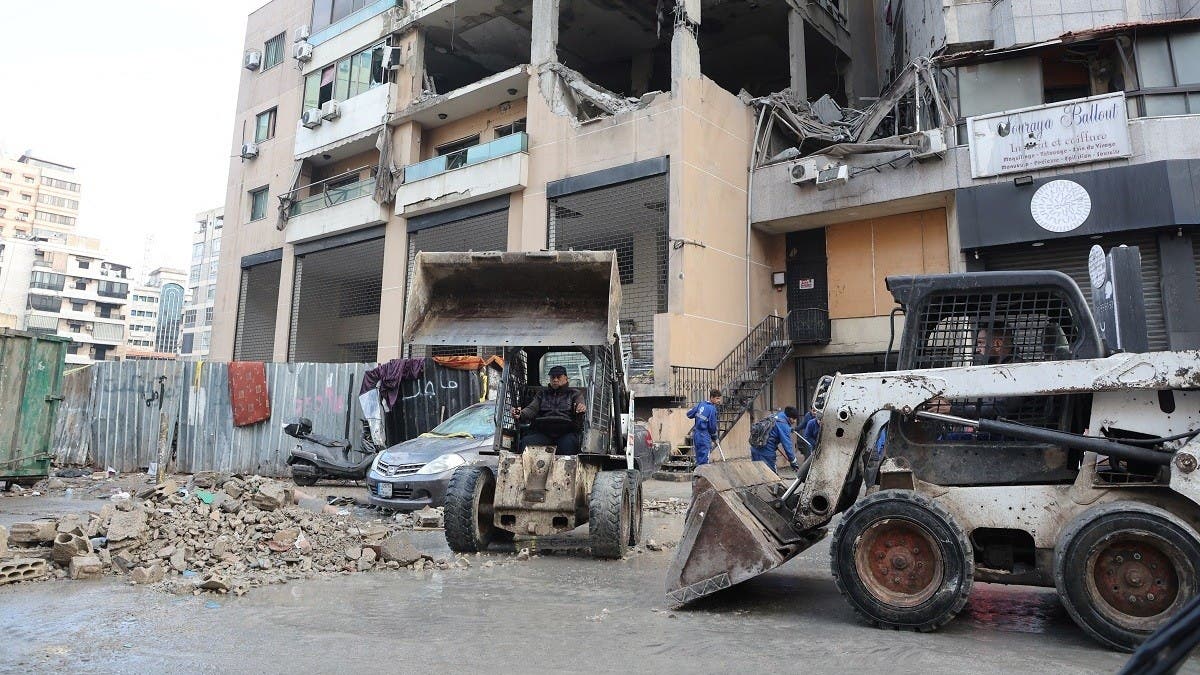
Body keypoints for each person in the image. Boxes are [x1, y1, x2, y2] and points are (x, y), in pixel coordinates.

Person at [513, 365, 587, 455]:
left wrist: (581, 407)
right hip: (544, 432)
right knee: (526, 442)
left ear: (566, 378)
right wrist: (521, 413)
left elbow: (580, 404)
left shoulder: (575, 394)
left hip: (566, 432)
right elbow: (531, 409)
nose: (555, 380)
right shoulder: (542, 394)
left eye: (558, 377)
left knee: (569, 444)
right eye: (553, 377)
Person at [750, 406, 800, 474]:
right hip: (766, 453)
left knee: (757, 474)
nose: (794, 421)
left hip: (755, 448)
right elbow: (787, 446)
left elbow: (774, 429)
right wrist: (793, 461)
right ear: (789, 417)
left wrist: (789, 429)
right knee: (771, 475)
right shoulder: (783, 425)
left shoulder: (777, 416)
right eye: (794, 419)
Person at [686, 389, 722, 466]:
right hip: (704, 435)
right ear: (712, 397)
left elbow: (689, 414)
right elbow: (712, 427)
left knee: (699, 456)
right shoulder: (712, 409)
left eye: (719, 398)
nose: (719, 400)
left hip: (696, 434)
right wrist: (715, 437)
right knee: (704, 459)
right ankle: (701, 476)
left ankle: (698, 475)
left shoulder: (701, 404)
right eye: (717, 398)